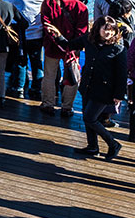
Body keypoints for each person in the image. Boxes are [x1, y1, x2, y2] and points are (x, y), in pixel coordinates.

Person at [45, 13, 126, 159]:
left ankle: (113, 144)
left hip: (105, 90)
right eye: (105, 29)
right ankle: (92, 146)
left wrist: (119, 95)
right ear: (97, 28)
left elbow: (121, 74)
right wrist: (58, 35)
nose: (108, 32)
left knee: (90, 118)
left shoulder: (118, 49)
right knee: (86, 116)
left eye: (112, 30)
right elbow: (69, 45)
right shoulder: (89, 40)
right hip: (87, 86)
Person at [40, 0, 89, 118]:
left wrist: (58, 40)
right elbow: (82, 32)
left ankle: (48, 104)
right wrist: (71, 45)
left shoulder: (49, 3)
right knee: (72, 75)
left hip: (52, 44)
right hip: (73, 48)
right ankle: (67, 107)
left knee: (49, 75)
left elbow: (46, 24)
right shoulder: (81, 7)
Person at [6, 0, 48, 100]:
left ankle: (19, 88)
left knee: (21, 61)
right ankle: (37, 88)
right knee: (37, 63)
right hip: (38, 35)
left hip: (22, 35)